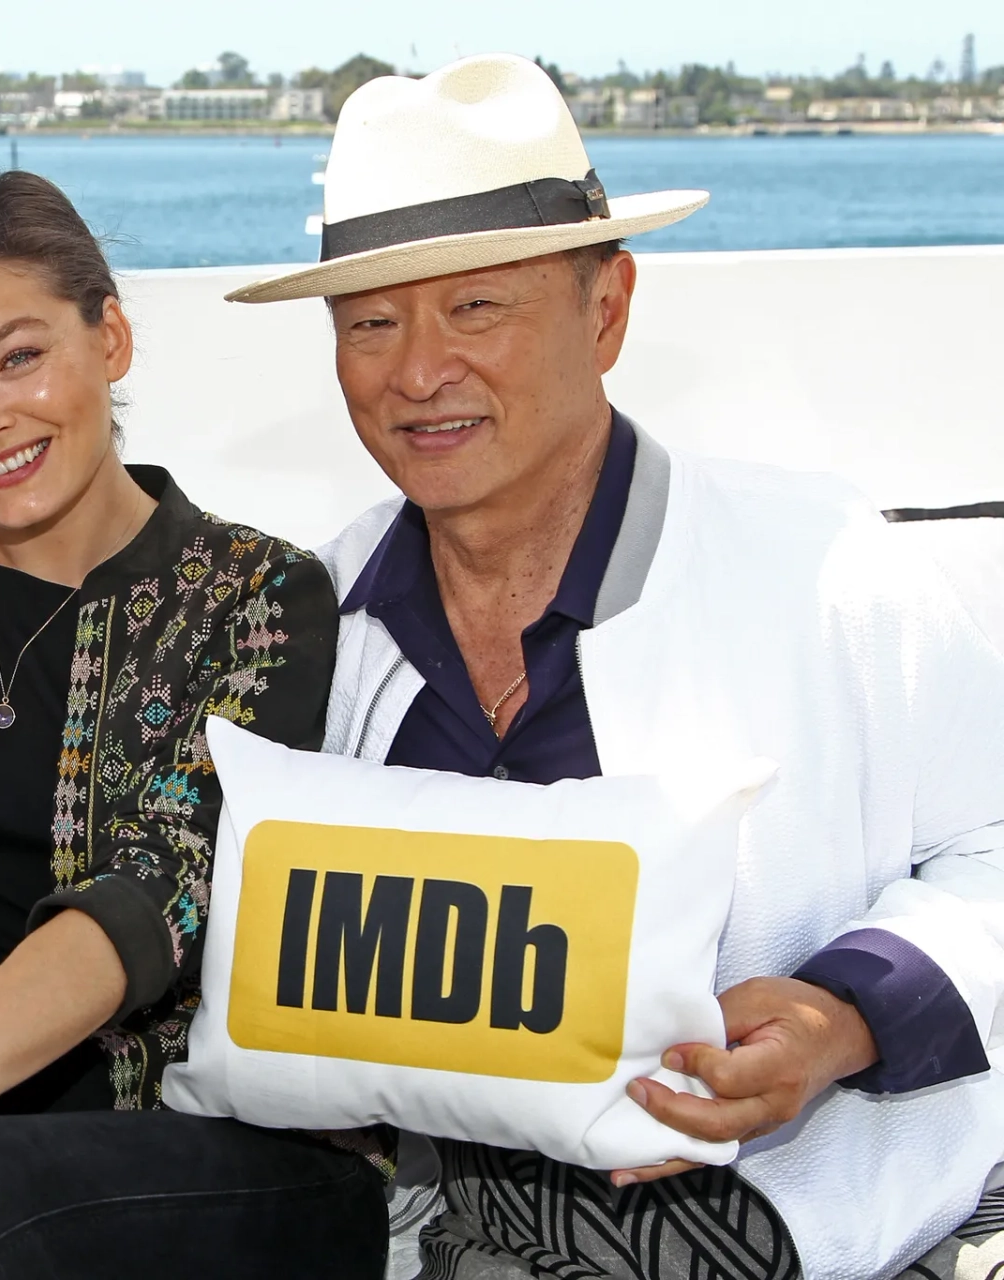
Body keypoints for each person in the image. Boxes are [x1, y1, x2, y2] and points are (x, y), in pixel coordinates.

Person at [228, 53, 1004, 1280]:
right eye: (371, 321)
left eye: (476, 306)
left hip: (798, 1226)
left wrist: (842, 1014)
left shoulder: (830, 570)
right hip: (426, 1229)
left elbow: (997, 844)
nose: (418, 370)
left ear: (608, 308)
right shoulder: (311, 616)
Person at [0, 170, 387, 1280]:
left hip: (198, 1137)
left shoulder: (254, 594)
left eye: (19, 357)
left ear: (109, 335)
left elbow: (164, 880)